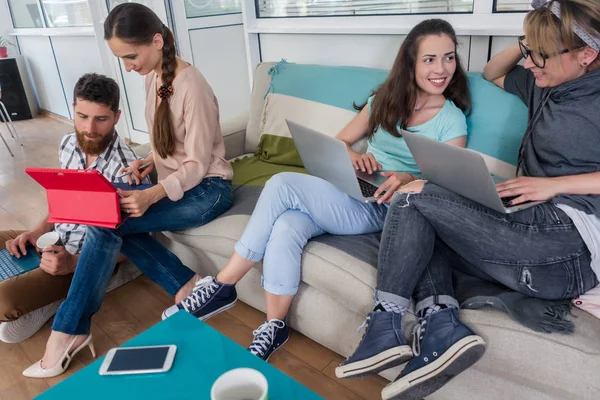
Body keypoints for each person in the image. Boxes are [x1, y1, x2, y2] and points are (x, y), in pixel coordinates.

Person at [163, 19, 472, 363]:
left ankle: (222, 285)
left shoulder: (451, 119)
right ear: (411, 61)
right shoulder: (384, 101)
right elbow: (341, 142)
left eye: (448, 58)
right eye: (430, 59)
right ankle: (274, 325)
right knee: (286, 225)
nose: (441, 68)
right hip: (353, 188)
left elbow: (445, 185)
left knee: (281, 184)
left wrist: (404, 177)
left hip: (388, 208)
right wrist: (356, 158)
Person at [341, 1, 600, 399]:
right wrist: (534, 38)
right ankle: (442, 328)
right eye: (528, 51)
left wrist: (555, 185)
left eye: (539, 55)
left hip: (567, 243)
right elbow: (494, 72)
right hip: (526, 227)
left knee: (412, 198)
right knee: (425, 227)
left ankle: (384, 326)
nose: (529, 63)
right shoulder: (545, 81)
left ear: (588, 53)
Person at [23, 3, 233, 378]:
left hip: (208, 190)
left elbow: (199, 163)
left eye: (131, 56)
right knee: (103, 210)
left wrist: (152, 193)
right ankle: (187, 284)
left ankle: (67, 331)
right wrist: (150, 161)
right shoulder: (156, 76)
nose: (128, 66)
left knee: (107, 221)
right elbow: (175, 144)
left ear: (156, 41)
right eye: (121, 57)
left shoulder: (193, 85)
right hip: (180, 184)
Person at [0, 73, 144, 344]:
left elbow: (139, 243)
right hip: (55, 240)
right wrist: (36, 231)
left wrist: (74, 263)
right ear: (73, 110)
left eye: (101, 119)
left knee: (3, 302)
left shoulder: (127, 170)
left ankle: (66, 294)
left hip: (86, 259)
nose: (89, 128)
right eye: (82, 116)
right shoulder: (68, 143)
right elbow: (63, 203)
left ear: (117, 116)